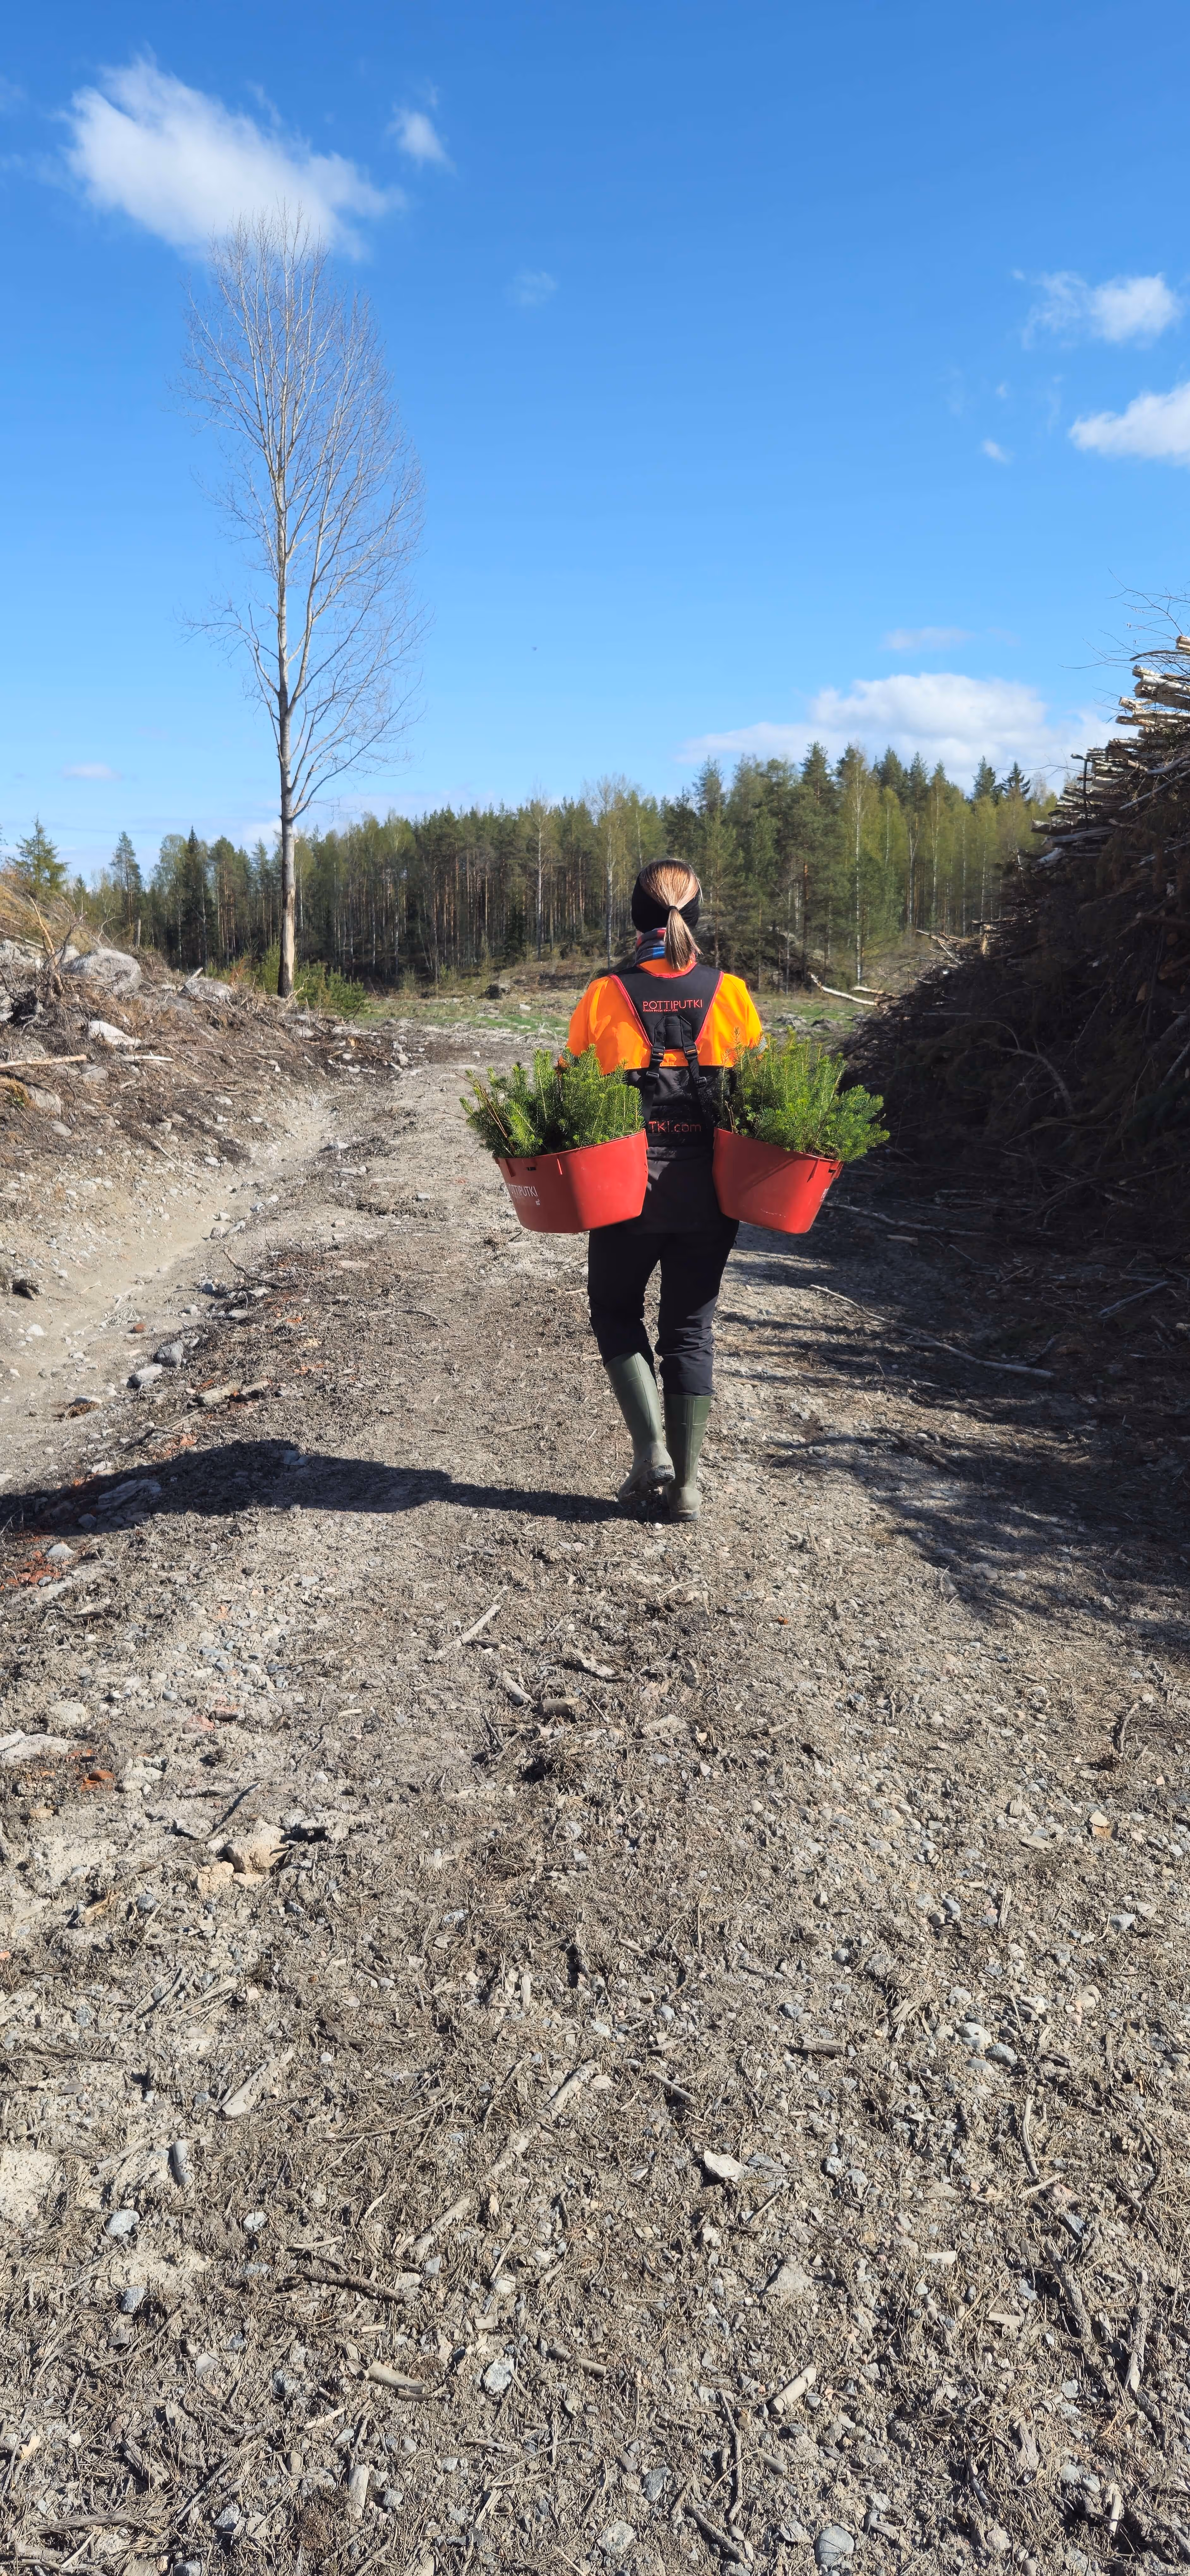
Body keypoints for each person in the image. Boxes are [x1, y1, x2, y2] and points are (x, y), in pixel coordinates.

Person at [564, 859, 762, 1519]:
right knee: (690, 1328)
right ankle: (688, 1488)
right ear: (694, 917)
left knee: (615, 1308)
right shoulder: (730, 990)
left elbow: (570, 1079)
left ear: (636, 918)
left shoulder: (605, 993)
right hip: (711, 1188)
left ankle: (651, 1449)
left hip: (626, 1187)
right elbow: (758, 1083)